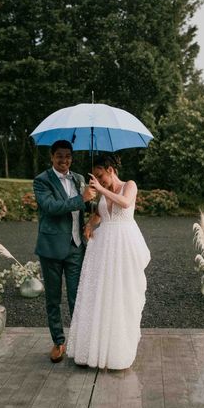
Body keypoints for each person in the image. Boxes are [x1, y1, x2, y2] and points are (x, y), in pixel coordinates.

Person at [67, 154, 151, 370]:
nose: (98, 180)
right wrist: (88, 224)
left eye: (100, 175)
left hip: (124, 245)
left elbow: (124, 202)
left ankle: (117, 351)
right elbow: (99, 214)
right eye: (94, 177)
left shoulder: (129, 185)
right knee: (100, 293)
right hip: (104, 246)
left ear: (111, 170)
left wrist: (101, 190)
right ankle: (93, 350)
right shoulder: (102, 193)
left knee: (122, 294)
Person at [33, 140, 96, 363]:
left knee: (77, 297)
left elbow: (88, 207)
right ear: (52, 157)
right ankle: (59, 342)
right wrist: (81, 198)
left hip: (76, 247)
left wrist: (96, 199)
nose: (64, 160)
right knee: (53, 299)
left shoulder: (79, 179)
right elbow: (51, 208)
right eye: (60, 156)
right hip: (51, 249)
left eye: (68, 156)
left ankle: (80, 343)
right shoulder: (42, 181)